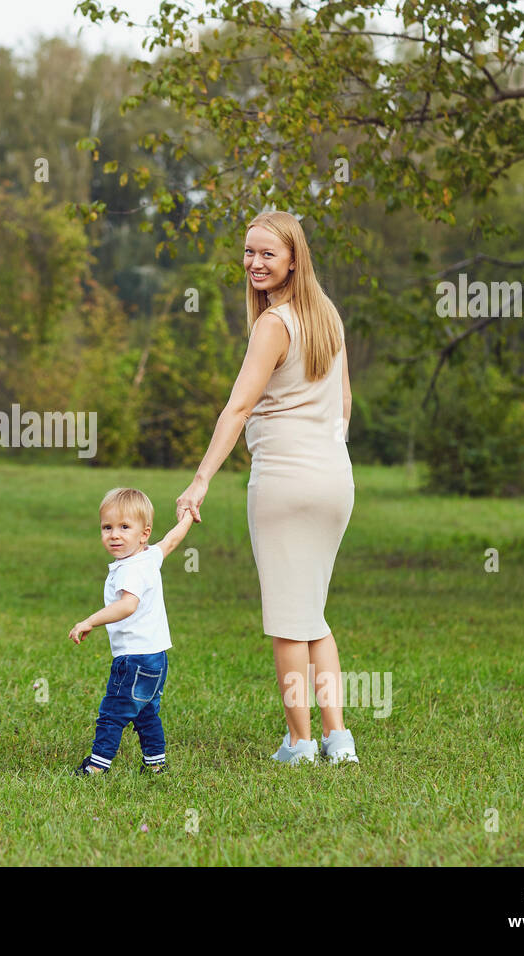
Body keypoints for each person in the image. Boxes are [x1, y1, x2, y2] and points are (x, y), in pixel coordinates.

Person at [175, 210, 359, 766]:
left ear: (293, 260)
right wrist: (327, 453)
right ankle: (339, 740)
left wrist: (200, 480)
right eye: (249, 253)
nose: (255, 263)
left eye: (267, 254)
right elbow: (345, 404)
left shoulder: (274, 323)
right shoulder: (327, 314)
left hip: (285, 483)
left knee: (287, 622)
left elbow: (238, 407)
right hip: (334, 480)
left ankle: (300, 743)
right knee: (314, 617)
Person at [69, 488, 195, 776]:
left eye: (124, 527)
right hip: (157, 657)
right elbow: (172, 540)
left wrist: (90, 621)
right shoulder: (149, 556)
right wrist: (188, 515)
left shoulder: (129, 570)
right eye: (107, 527)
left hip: (134, 659)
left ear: (144, 533)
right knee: (146, 712)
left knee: (112, 712)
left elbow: (127, 605)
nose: (114, 535)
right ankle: (155, 763)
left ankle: (97, 766)